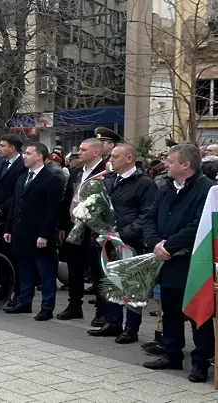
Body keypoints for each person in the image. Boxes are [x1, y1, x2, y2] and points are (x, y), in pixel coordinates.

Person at [142, 143, 216, 382]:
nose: (166, 164)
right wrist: (155, 243)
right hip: (166, 259)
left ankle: (201, 362)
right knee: (170, 310)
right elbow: (150, 217)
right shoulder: (165, 187)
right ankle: (171, 353)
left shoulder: (208, 190)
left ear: (186, 164)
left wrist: (168, 245)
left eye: (171, 160)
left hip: (193, 262)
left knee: (198, 314)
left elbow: (199, 225)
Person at [93, 143, 157, 343]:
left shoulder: (144, 183)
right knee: (111, 280)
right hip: (108, 239)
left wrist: (124, 233)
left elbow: (147, 215)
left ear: (129, 158)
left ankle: (131, 328)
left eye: (115, 157)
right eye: (110, 157)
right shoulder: (109, 179)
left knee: (132, 285)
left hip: (131, 242)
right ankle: (113, 322)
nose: (110, 160)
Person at [4, 143, 64, 321]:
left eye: (28, 153)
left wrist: (45, 234)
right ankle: (24, 302)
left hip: (39, 234)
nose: (24, 156)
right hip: (21, 232)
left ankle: (47, 307)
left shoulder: (51, 179)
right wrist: (8, 228)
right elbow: (15, 205)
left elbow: (53, 210)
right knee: (24, 270)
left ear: (39, 156)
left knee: (45, 272)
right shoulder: (23, 176)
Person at [57, 138, 110, 322]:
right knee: (74, 268)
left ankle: (102, 312)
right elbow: (67, 199)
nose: (79, 152)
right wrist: (64, 225)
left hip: (96, 229)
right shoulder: (76, 172)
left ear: (96, 152)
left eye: (83, 149)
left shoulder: (106, 172)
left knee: (97, 271)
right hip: (75, 227)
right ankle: (74, 306)